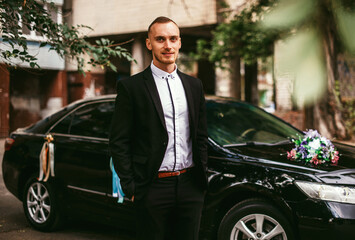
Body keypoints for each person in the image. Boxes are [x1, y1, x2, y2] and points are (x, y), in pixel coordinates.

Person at [109, 16, 208, 240]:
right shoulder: (131, 87)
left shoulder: (194, 86)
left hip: (190, 186)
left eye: (173, 39)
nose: (168, 45)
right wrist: (131, 187)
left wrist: (201, 181)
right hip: (152, 187)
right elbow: (118, 141)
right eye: (160, 39)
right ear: (149, 43)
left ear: (180, 42)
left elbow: (201, 136)